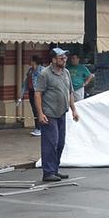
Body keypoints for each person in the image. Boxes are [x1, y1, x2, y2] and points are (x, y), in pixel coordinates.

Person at [33, 47, 80, 183]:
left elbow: (69, 92)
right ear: (53, 60)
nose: (64, 60)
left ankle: (54, 169)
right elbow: (38, 94)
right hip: (49, 114)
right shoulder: (45, 74)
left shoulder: (66, 73)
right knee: (50, 143)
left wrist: (74, 110)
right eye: (61, 58)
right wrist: (40, 113)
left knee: (60, 143)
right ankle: (48, 172)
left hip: (62, 113)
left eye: (65, 57)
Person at [20, 55, 42, 137]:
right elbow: (26, 82)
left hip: (38, 92)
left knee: (38, 109)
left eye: (31, 60)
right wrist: (22, 93)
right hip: (31, 91)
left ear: (34, 61)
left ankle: (40, 128)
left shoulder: (42, 70)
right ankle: (37, 127)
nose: (30, 62)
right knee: (34, 110)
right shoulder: (30, 70)